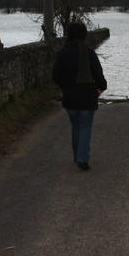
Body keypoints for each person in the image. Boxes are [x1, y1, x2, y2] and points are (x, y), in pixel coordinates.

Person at [52, 22, 107, 171]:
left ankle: (77, 156)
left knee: (76, 126)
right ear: (84, 34)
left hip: (70, 97)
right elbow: (99, 77)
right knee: (85, 127)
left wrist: (65, 87)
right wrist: (100, 89)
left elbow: (55, 75)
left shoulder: (63, 53)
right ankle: (82, 158)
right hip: (87, 97)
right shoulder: (89, 53)